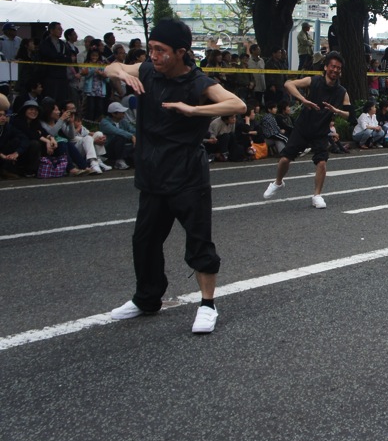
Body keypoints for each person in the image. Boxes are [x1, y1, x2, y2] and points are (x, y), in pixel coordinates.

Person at [104, 19, 245, 334]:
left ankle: (207, 305)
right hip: (153, 175)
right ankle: (146, 299)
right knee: (144, 241)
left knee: (198, 242)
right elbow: (111, 67)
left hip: (187, 176)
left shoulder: (198, 82)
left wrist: (194, 110)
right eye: (152, 48)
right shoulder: (147, 70)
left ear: (181, 52)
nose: (154, 55)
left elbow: (237, 104)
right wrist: (121, 73)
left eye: (161, 50)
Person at [262, 52, 350, 209]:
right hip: (303, 127)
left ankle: (317, 195)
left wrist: (336, 110)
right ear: (326, 67)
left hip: (321, 131)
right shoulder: (314, 81)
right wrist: (303, 100)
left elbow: (350, 115)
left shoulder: (342, 92)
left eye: (338, 68)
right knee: (285, 159)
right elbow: (289, 84)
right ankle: (278, 182)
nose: (335, 70)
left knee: (322, 162)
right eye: (333, 66)